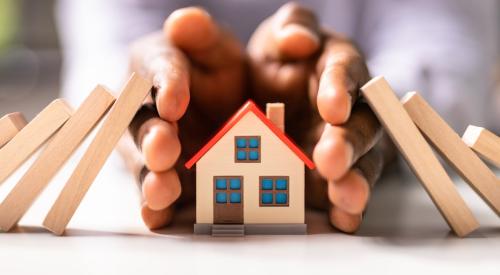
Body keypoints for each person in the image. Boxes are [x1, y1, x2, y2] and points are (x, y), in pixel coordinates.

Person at [56, 0, 499, 233]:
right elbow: (105, 45)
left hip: (342, 133)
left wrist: (374, 112)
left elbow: (444, 43)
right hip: (180, 128)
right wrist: (140, 101)